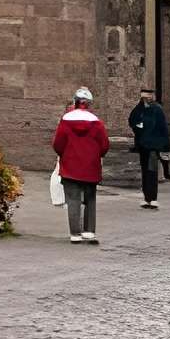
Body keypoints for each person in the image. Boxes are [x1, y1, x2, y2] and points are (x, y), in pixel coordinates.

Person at [52, 87, 109, 243]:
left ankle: (75, 234)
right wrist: (97, 155)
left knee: (73, 200)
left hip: (70, 166)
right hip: (91, 167)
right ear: (89, 104)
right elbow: (104, 145)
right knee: (90, 199)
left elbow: (58, 143)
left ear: (75, 102)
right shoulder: (97, 122)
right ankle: (89, 231)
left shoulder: (65, 120)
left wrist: (64, 154)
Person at [128, 88, 170, 209]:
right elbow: (132, 120)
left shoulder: (157, 109)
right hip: (143, 146)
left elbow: (163, 129)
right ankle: (147, 198)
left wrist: (166, 147)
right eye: (145, 97)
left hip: (153, 146)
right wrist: (138, 126)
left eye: (149, 97)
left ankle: (153, 198)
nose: (147, 99)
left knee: (151, 171)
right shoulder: (139, 109)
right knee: (145, 171)